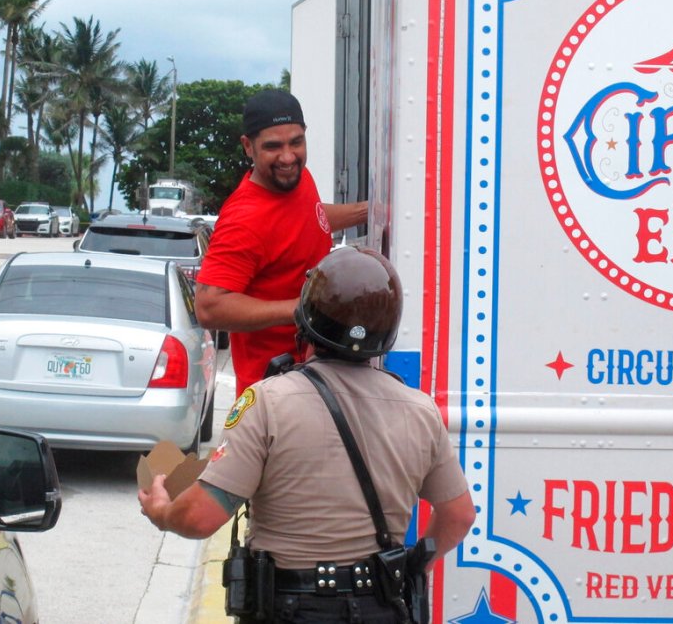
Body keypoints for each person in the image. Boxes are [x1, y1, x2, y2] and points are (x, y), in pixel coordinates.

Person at [140, 246, 475, 623]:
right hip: (380, 607)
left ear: (306, 320)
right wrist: (415, 567)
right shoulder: (421, 411)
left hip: (291, 608)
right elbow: (459, 515)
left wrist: (163, 512)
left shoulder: (268, 402)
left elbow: (200, 517)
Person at [195, 89, 367, 396]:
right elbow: (209, 307)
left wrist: (368, 211)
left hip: (317, 381)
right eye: (273, 146)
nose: (288, 157)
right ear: (248, 147)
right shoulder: (244, 218)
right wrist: (304, 309)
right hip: (274, 397)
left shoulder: (299, 180)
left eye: (296, 142)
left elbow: (308, 218)